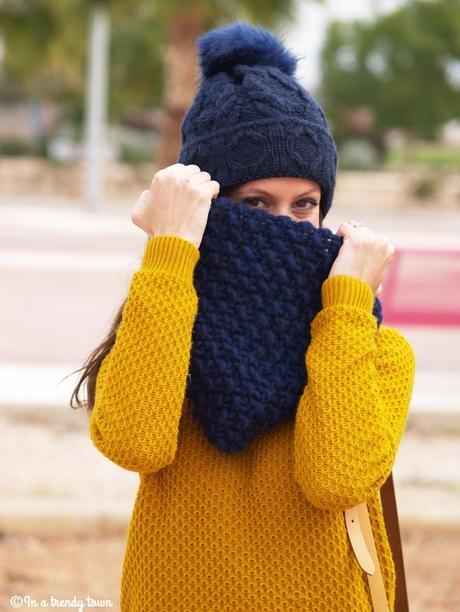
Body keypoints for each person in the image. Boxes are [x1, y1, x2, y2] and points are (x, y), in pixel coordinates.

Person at [71, 21, 415, 611]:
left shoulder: (371, 346)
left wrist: (347, 309)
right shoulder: (167, 314)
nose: (283, 225)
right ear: (209, 208)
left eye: (304, 204)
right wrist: (171, 250)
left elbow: (337, 479)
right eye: (255, 204)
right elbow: (134, 443)